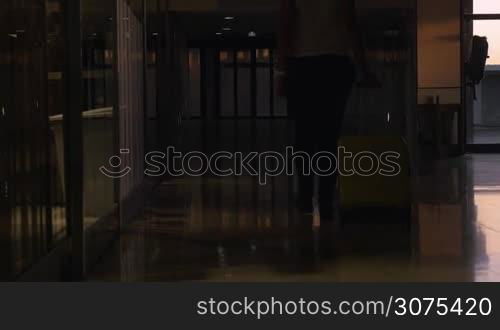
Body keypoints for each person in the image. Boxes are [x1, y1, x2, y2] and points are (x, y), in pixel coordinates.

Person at [277, 0, 377, 221]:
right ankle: (325, 196)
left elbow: (286, 26)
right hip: (335, 64)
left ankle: (305, 197)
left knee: (304, 136)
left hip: (303, 65)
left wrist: (282, 71)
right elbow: (352, 26)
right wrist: (363, 68)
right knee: (328, 137)